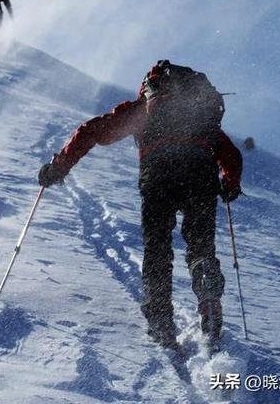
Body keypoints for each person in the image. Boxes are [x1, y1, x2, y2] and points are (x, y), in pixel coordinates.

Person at [38, 60, 242, 350]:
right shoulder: (198, 114)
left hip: (158, 174)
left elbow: (92, 131)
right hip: (200, 173)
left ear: (150, 85)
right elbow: (230, 153)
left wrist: (58, 167)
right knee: (200, 245)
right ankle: (209, 297)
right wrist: (230, 183)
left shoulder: (144, 108)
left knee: (157, 245)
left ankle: (160, 318)